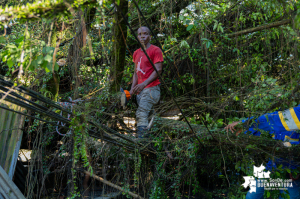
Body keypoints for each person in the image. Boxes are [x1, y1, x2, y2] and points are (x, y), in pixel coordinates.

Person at [224, 106, 300, 199]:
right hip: (272, 167)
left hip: (292, 171)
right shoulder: (277, 121)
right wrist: (243, 126)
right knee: (252, 195)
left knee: (291, 196)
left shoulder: (291, 122)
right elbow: (269, 121)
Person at [129, 26, 163, 138]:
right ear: (137, 36)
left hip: (151, 89)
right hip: (141, 91)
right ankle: (152, 143)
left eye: (145, 33)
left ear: (150, 36)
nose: (142, 36)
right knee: (149, 117)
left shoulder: (155, 50)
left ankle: (142, 142)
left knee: (141, 113)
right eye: (139, 34)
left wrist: (144, 84)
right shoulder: (136, 53)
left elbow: (158, 70)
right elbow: (136, 72)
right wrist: (132, 89)